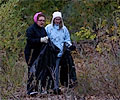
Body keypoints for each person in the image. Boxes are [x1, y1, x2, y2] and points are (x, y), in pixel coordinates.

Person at [45, 11, 77, 94]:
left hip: (62, 53)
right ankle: (54, 87)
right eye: (56, 19)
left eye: (59, 19)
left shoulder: (64, 29)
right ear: (53, 19)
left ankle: (65, 85)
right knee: (53, 70)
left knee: (64, 70)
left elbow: (67, 39)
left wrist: (69, 46)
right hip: (52, 53)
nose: (57, 21)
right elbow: (46, 38)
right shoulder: (48, 28)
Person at [24, 12, 48, 95]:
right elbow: (29, 41)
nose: (42, 22)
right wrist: (40, 40)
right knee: (32, 70)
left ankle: (39, 88)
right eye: (40, 20)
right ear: (36, 20)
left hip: (40, 53)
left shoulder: (43, 29)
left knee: (41, 70)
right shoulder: (31, 29)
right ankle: (30, 89)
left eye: (43, 21)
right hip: (31, 53)